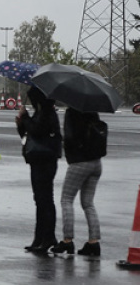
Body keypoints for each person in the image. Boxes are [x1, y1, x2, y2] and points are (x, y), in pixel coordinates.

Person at [52, 106, 106, 256]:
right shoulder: (93, 111)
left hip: (80, 162)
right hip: (96, 162)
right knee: (88, 203)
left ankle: (67, 241)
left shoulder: (72, 111)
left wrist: (65, 146)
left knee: (66, 200)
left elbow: (70, 137)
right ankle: (93, 243)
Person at [16, 86, 62, 253]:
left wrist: (26, 118)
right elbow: (29, 134)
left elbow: (37, 130)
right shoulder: (43, 112)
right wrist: (22, 124)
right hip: (39, 159)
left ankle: (47, 237)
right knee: (40, 199)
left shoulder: (47, 113)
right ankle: (40, 237)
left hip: (45, 160)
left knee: (45, 199)